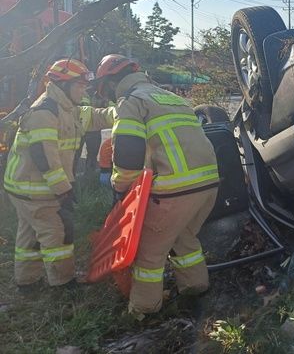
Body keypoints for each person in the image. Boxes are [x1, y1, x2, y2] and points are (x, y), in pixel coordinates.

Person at [94, 54, 219, 317]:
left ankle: (144, 310)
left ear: (109, 82)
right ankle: (196, 287)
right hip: (208, 183)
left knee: (150, 254)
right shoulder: (170, 97)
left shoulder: (131, 102)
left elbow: (127, 154)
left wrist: (120, 189)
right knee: (183, 237)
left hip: (174, 191)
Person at [3, 59, 114, 291]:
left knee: (30, 234)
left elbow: (96, 116)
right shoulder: (45, 111)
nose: (84, 90)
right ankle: (63, 283)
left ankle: (27, 281)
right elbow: (44, 157)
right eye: (80, 85)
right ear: (63, 85)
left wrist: (124, 110)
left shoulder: (67, 108)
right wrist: (63, 190)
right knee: (58, 233)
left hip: (23, 188)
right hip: (37, 189)